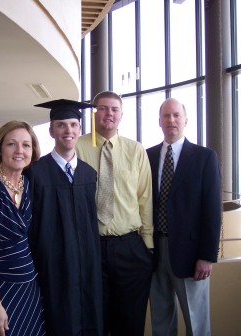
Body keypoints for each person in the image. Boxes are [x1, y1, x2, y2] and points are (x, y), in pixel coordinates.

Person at [76, 91, 154, 336]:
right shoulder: (77, 147)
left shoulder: (136, 150)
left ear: (121, 115)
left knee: (130, 321)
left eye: (114, 109)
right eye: (103, 108)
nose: (108, 113)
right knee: (94, 318)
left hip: (130, 247)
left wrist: (148, 245)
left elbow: (145, 198)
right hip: (91, 247)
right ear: (94, 112)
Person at [26, 99, 103, 336]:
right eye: (61, 125)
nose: (67, 131)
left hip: (88, 264)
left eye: (73, 125)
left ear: (80, 130)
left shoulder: (89, 174)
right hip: (53, 266)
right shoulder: (36, 173)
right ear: (51, 131)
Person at [146, 97, 222, 336]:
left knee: (196, 323)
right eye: (166, 116)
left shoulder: (204, 157)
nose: (171, 120)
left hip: (191, 256)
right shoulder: (147, 157)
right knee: (161, 320)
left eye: (176, 115)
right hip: (155, 251)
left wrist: (207, 256)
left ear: (186, 120)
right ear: (159, 121)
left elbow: (212, 211)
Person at [0, 120, 45, 336]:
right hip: (0, 287)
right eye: (11, 144)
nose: (19, 150)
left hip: (29, 286)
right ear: (0, 149)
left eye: (26, 145)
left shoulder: (27, 185)